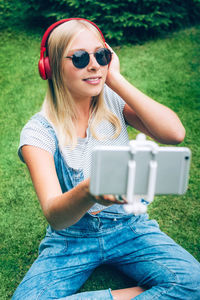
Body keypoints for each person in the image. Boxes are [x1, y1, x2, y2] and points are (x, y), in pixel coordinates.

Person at [12, 18, 200, 300]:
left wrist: (116, 79)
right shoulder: (38, 132)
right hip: (72, 239)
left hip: (129, 227)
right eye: (79, 58)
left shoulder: (113, 102)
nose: (94, 65)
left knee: (195, 281)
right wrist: (90, 189)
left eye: (101, 55)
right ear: (49, 67)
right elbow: (56, 215)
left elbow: (173, 133)